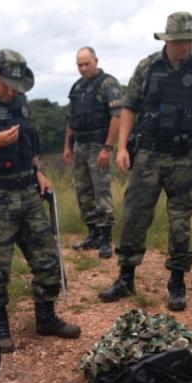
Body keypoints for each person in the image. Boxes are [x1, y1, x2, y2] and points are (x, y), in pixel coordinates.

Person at [0, 49, 80, 353]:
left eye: (16, 86)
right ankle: (0, 327)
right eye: (6, 84)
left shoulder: (21, 103)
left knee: (47, 259)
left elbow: (29, 143)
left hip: (28, 191)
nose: (11, 91)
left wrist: (38, 172)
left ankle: (46, 318)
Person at [99, 12, 192, 311]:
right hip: (148, 155)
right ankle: (126, 277)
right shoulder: (147, 67)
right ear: (167, 40)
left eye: (189, 41)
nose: (186, 47)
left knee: (180, 222)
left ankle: (177, 282)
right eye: (180, 41)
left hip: (184, 157)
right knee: (133, 216)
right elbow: (128, 108)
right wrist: (121, 148)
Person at [63, 47, 123, 259]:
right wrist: (67, 146)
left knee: (101, 191)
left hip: (99, 144)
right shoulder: (77, 87)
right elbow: (72, 119)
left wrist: (108, 148)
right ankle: (93, 235)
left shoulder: (108, 83)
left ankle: (106, 239)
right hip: (80, 144)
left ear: (96, 61)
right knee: (84, 191)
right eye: (79, 64)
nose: (83, 68)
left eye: (87, 63)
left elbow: (116, 117)